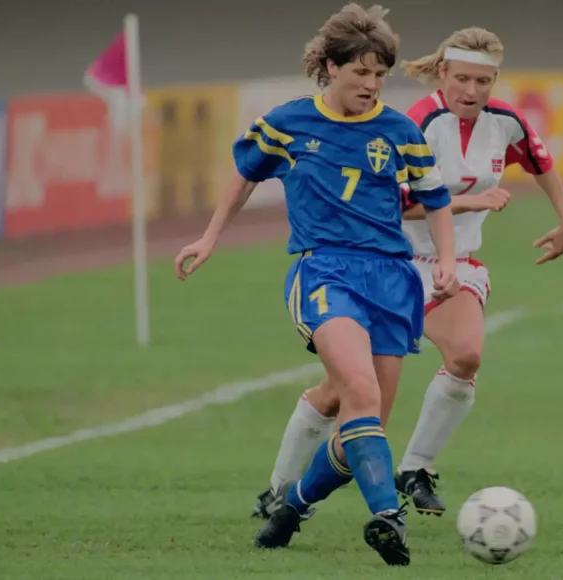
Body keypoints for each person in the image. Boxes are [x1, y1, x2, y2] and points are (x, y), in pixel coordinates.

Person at [251, 27, 563, 523]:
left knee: (466, 356)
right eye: (463, 78)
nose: (472, 91)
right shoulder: (413, 123)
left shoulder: (505, 123)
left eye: (484, 81)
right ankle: (281, 490)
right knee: (349, 396)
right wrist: (468, 200)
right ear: (442, 73)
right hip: (395, 265)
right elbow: (394, 206)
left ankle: (415, 469)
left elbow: (540, 160)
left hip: (455, 263)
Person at [174, 4, 459, 567]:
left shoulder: (400, 130)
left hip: (393, 278)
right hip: (325, 270)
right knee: (359, 388)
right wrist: (208, 239)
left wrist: (445, 260)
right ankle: (387, 517)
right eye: (361, 73)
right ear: (331, 67)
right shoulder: (289, 123)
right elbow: (245, 173)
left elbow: (435, 198)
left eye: (380, 75)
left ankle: (291, 508)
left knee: (364, 423)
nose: (372, 85)